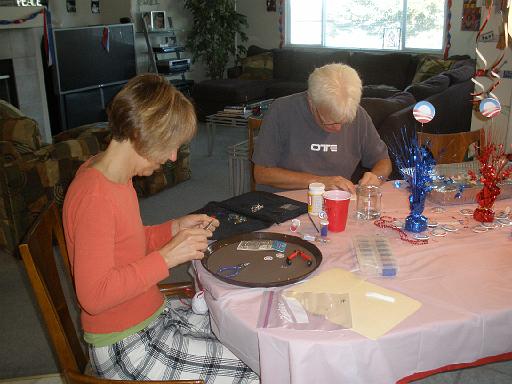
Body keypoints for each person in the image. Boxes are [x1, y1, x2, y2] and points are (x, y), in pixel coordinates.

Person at [63, 74, 259, 383]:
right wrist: (166, 258)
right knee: (260, 368)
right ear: (143, 135)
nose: (171, 157)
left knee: (249, 336)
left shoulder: (112, 174)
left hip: (149, 319)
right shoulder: (95, 196)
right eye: (169, 146)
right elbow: (94, 296)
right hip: (127, 346)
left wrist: (172, 228)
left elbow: (125, 244)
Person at [252, 63, 392, 195]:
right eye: (330, 123)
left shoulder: (359, 116)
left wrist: (376, 177)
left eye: (344, 122)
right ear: (311, 102)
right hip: (285, 202)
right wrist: (319, 182)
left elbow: (383, 161)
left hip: (335, 203)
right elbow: (261, 173)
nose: (338, 129)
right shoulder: (281, 110)